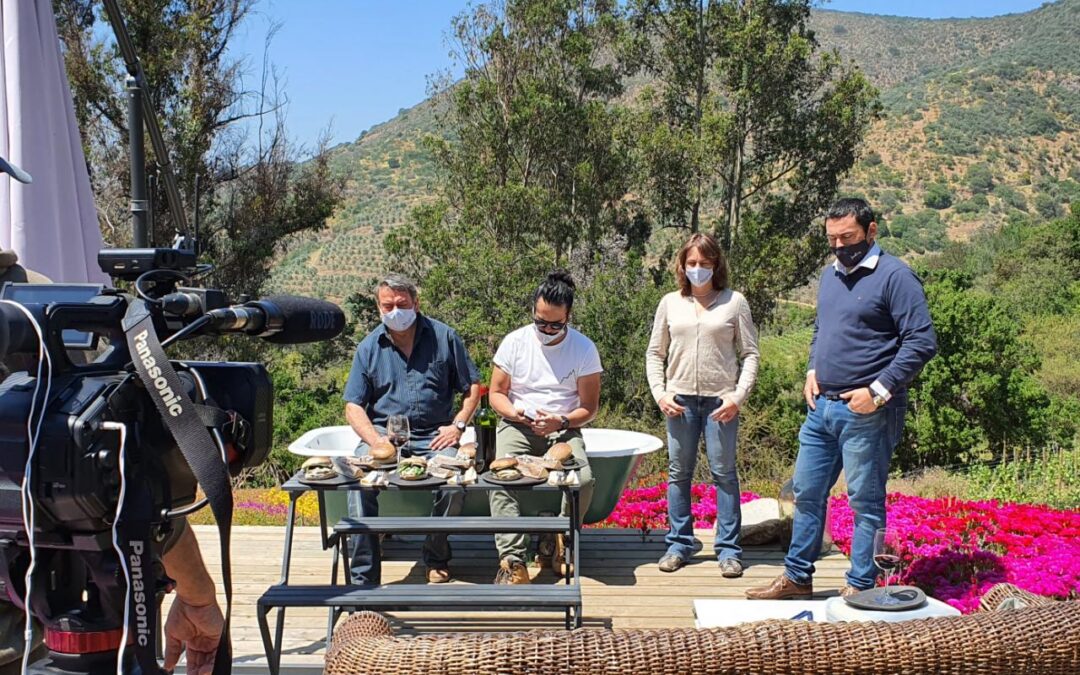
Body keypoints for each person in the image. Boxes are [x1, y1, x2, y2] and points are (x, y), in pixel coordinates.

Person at [746, 198, 937, 601]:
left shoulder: (896, 277)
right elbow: (822, 329)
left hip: (867, 411)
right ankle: (798, 577)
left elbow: (921, 342)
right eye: (832, 239)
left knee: (864, 502)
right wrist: (812, 369)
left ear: (871, 231)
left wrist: (878, 392)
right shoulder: (829, 276)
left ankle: (861, 586)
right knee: (805, 493)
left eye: (847, 237)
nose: (839, 246)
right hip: (822, 409)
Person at [343, 274, 481, 584]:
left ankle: (435, 554)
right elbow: (353, 406)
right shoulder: (369, 347)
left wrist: (458, 426)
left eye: (401, 305)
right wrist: (376, 442)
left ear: (416, 304)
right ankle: (364, 577)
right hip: (384, 435)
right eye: (387, 305)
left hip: (435, 435)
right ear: (378, 307)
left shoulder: (444, 337)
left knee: (454, 482)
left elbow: (472, 385)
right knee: (360, 483)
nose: (394, 311)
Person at [646, 232, 760, 577]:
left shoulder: (734, 302)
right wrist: (660, 393)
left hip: (720, 402)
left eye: (704, 263)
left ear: (716, 265)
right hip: (678, 400)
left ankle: (728, 550)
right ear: (682, 266)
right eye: (692, 263)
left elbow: (751, 354)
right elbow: (655, 353)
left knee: (724, 474)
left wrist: (737, 396)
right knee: (679, 473)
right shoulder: (669, 303)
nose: (698, 269)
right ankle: (679, 544)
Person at [487, 271, 602, 585]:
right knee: (501, 480)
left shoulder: (583, 349)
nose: (548, 330)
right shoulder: (515, 342)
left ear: (568, 317)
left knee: (584, 479)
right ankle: (513, 561)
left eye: (556, 324)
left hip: (562, 428)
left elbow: (589, 408)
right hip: (518, 424)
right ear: (532, 313)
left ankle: (563, 541)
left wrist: (561, 421)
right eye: (541, 323)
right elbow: (496, 392)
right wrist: (516, 413)